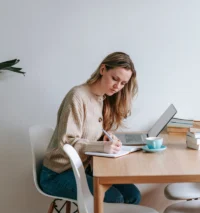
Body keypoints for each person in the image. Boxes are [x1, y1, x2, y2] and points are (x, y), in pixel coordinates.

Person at [40, 52, 141, 204]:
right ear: (103, 70)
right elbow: (67, 142)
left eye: (123, 83)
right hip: (58, 174)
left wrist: (106, 138)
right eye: (115, 79)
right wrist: (102, 146)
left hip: (83, 168)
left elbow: (90, 132)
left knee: (133, 195)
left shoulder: (103, 98)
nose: (117, 87)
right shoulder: (77, 96)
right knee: (115, 198)